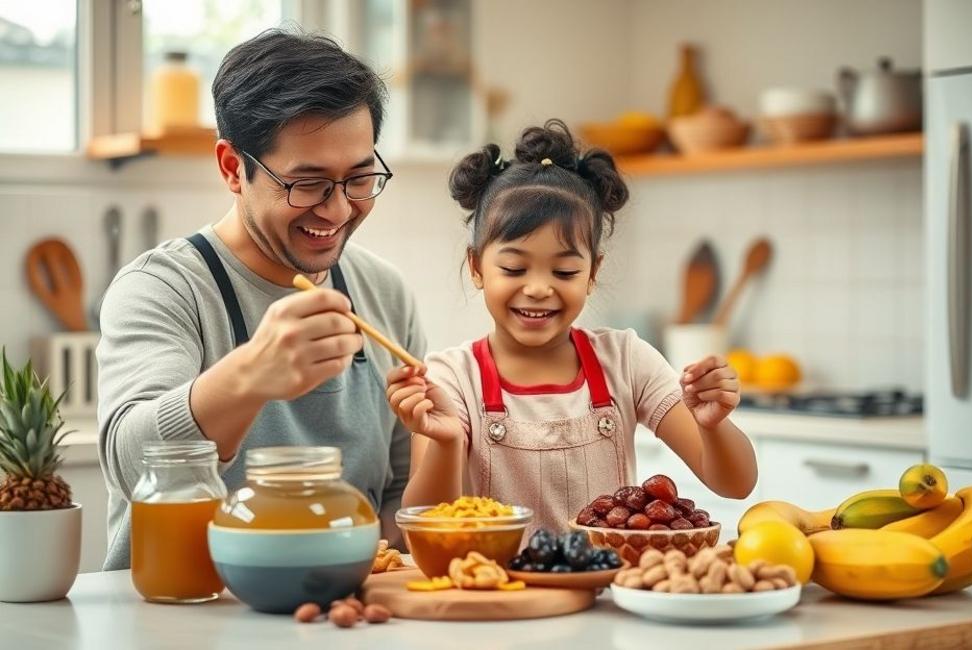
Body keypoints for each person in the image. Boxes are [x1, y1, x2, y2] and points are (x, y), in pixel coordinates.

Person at [96, 29, 425, 570]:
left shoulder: (382, 291)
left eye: (360, 178)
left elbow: (397, 500)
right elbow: (133, 464)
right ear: (232, 167)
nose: (338, 211)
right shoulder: (161, 289)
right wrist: (250, 375)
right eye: (307, 183)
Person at [386, 119, 756, 534]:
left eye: (564, 272)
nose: (539, 288)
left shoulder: (627, 361)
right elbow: (424, 525)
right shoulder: (451, 378)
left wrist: (714, 425)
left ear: (592, 273)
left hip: (608, 594)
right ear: (476, 267)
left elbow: (736, 484)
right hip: (502, 594)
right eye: (514, 267)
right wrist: (447, 441)